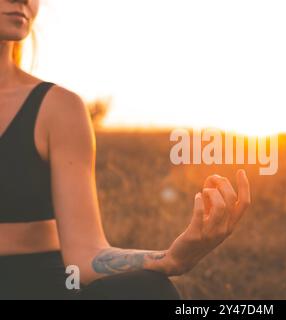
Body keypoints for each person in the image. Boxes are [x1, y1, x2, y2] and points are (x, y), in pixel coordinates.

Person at [0, 0, 251, 300]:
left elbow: (85, 254)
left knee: (145, 290)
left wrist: (169, 258)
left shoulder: (57, 108)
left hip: (40, 286)